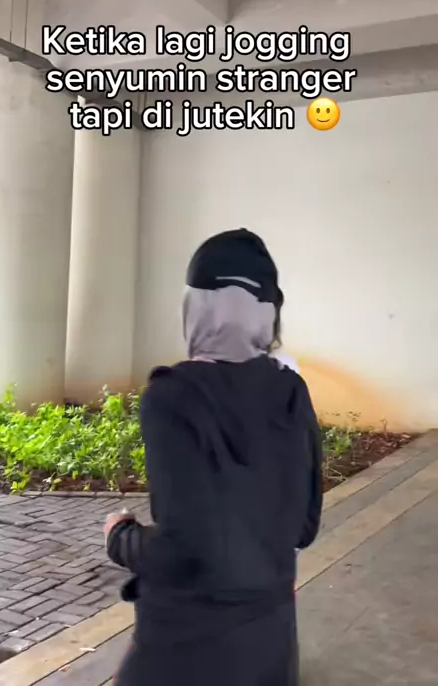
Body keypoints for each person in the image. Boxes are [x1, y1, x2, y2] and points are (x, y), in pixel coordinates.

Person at [104, 228, 323, 686]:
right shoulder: (292, 391)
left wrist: (120, 535)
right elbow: (304, 527)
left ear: (195, 307)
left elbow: (184, 552)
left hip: (186, 650)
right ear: (267, 315)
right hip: (269, 648)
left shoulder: (172, 396)